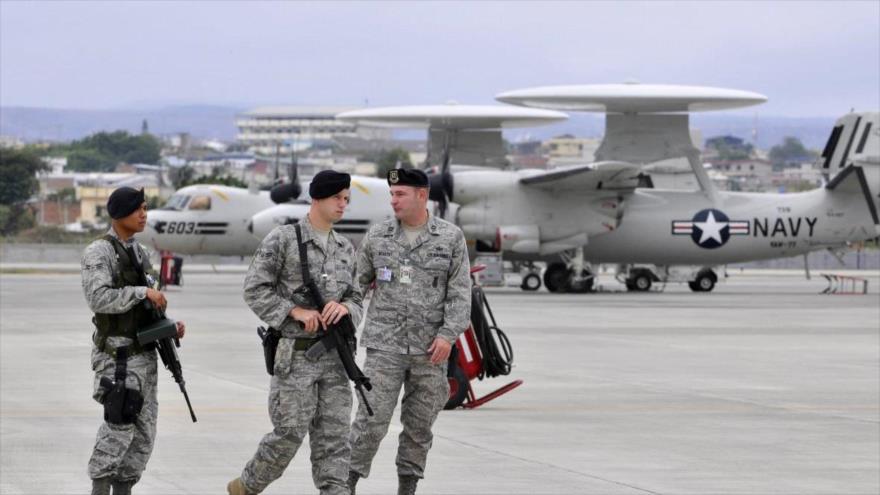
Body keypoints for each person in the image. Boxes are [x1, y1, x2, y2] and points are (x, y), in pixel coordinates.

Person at [228, 170, 364, 495]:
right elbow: (254, 289)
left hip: (336, 358)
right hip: (296, 356)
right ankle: (246, 486)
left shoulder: (345, 248)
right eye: (337, 198)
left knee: (335, 442)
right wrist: (294, 311)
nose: (343, 205)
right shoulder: (285, 239)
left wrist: (345, 310)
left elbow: (356, 297)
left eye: (347, 199)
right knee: (288, 433)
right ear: (317, 198)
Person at [347, 168, 471, 495]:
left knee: (418, 429)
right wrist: (345, 322)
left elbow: (460, 293)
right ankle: (343, 487)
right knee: (370, 423)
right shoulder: (379, 236)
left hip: (430, 352)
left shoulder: (450, 237)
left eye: (400, 194)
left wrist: (447, 335)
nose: (393, 201)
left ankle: (408, 488)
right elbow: (355, 287)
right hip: (383, 348)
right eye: (391, 194)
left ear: (421, 194)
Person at [82, 187, 186, 495]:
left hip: (144, 358)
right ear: (119, 214)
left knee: (142, 438)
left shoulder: (139, 253)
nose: (144, 214)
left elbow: (149, 305)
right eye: (138, 208)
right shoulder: (98, 252)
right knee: (118, 430)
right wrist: (142, 293)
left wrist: (169, 326)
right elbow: (98, 298)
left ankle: (124, 489)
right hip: (118, 357)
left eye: (145, 208)